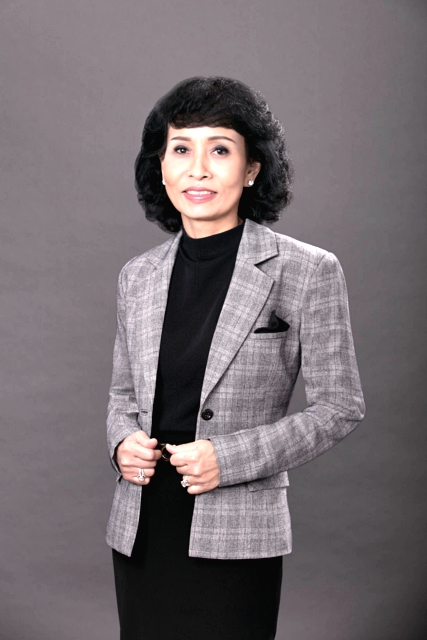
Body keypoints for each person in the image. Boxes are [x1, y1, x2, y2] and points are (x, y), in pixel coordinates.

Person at [105, 76, 365, 640]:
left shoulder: (307, 271)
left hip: (238, 528)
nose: (197, 170)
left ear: (251, 169)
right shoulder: (137, 276)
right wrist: (121, 442)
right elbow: (123, 395)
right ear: (161, 167)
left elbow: (341, 407)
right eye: (181, 149)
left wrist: (230, 457)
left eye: (219, 150)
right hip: (142, 526)